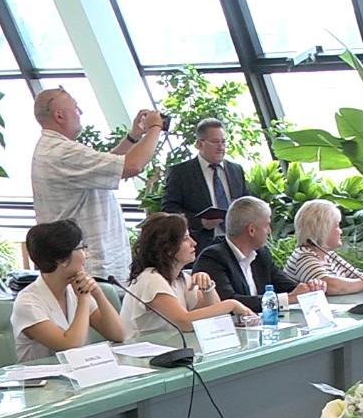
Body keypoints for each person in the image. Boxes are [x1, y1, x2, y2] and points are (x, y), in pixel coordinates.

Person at [30, 87, 165, 280]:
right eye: (75, 107)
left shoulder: (52, 148)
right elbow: (133, 166)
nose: (80, 112)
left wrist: (133, 137)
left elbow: (106, 167)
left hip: (87, 265)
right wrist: (156, 127)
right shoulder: (63, 152)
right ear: (59, 116)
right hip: (91, 268)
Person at [11, 220, 126, 362]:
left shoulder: (74, 289)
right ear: (62, 259)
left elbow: (118, 335)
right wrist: (84, 299)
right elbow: (70, 345)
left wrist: (97, 293)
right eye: (82, 248)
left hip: (81, 371)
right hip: (45, 375)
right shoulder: (27, 303)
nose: (87, 255)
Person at [121, 213, 252, 338]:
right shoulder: (150, 278)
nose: (193, 243)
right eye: (185, 239)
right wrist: (232, 304)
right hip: (139, 351)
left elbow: (213, 314)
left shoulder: (181, 278)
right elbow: (184, 322)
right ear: (167, 248)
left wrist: (208, 288)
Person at [193, 196, 318, 311]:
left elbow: (287, 286)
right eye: (267, 225)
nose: (269, 231)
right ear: (251, 230)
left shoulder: (261, 254)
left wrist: (310, 288)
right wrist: (286, 299)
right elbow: (228, 302)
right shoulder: (212, 258)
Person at [160, 118, 252, 256]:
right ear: (200, 144)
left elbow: (246, 203)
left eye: (223, 142)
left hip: (235, 243)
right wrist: (200, 223)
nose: (221, 147)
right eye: (215, 142)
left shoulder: (236, 170)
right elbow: (169, 209)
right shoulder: (181, 173)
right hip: (199, 245)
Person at [284, 200, 363, 295]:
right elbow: (330, 285)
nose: (341, 231)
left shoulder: (328, 254)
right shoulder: (303, 256)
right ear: (322, 229)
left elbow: (356, 278)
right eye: (337, 226)